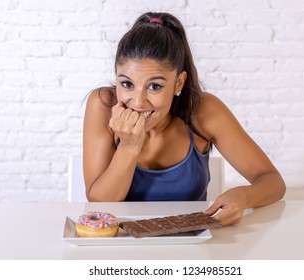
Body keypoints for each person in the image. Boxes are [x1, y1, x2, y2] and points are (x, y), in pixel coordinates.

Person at [83, 12, 286, 226]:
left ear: (178, 83)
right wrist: (130, 146)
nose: (138, 102)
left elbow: (273, 182)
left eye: (154, 86)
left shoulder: (204, 111)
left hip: (190, 246)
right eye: (127, 84)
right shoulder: (103, 105)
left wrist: (244, 197)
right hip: (120, 245)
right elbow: (101, 204)